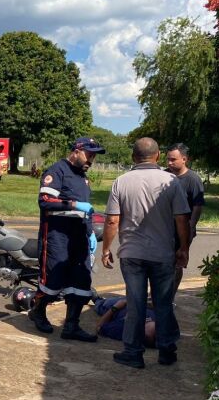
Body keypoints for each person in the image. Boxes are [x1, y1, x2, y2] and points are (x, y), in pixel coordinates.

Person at [101, 137, 190, 368]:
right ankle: (167, 351)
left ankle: (133, 352)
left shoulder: (121, 182)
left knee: (135, 303)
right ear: (158, 155)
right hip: (162, 254)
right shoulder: (171, 181)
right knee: (163, 303)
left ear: (133, 157)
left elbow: (112, 221)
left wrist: (106, 249)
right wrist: (183, 248)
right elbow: (182, 219)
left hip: (132, 254)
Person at [28, 137, 104, 342]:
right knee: (53, 279)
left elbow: (86, 210)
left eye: (94, 156)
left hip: (79, 237)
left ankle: (71, 326)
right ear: (76, 151)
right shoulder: (57, 171)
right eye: (89, 154)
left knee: (81, 281)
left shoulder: (83, 177)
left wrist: (90, 232)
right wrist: (74, 205)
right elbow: (45, 201)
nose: (91, 160)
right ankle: (38, 311)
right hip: (57, 237)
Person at [165, 143, 204, 295]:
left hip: (182, 230)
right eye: (168, 159)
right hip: (163, 229)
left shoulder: (193, 179)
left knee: (177, 264)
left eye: (173, 159)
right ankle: (158, 295)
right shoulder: (164, 176)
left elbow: (197, 206)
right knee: (160, 264)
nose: (169, 163)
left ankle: (170, 297)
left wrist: (190, 228)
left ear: (184, 159)